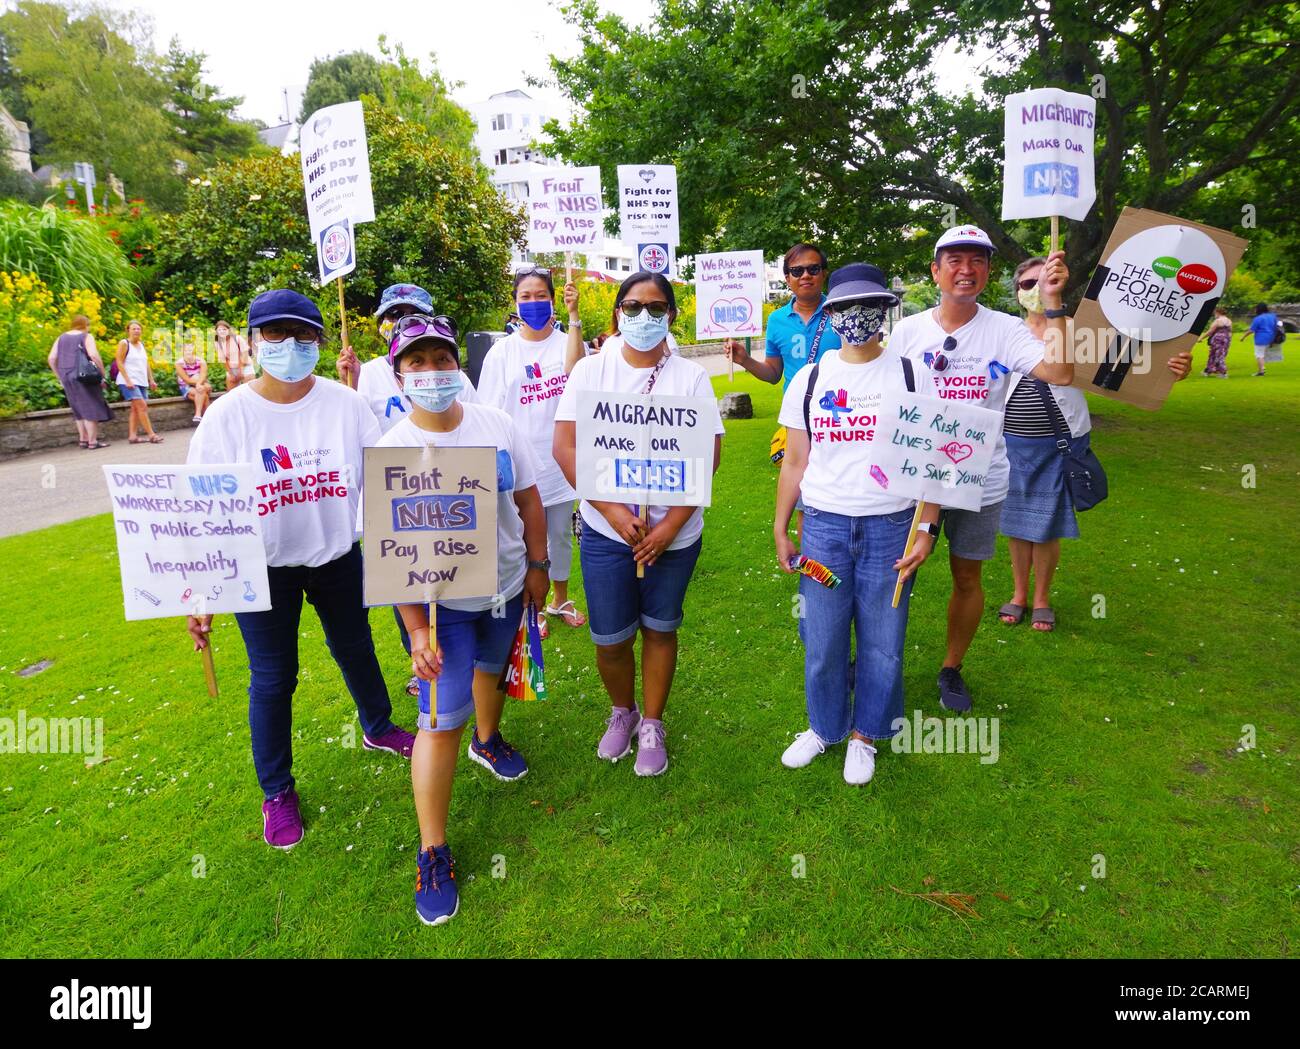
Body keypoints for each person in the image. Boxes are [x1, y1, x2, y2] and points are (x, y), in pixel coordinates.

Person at [186, 289, 416, 851]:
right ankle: (276, 791)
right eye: (275, 335)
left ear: (319, 339)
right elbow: (200, 506)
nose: (290, 346)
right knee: (273, 677)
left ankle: (378, 726)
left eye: (304, 335)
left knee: (355, 646)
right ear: (253, 341)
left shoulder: (344, 403)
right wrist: (200, 593)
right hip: (260, 570)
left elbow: (384, 479)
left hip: (337, 555)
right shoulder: (226, 416)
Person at [378, 315, 550, 926]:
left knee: (492, 671)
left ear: (459, 366)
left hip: (505, 587)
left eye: (440, 360)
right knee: (438, 720)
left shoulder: (498, 427)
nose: (431, 373)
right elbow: (387, 547)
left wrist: (538, 564)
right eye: (416, 363)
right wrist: (417, 630)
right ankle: (433, 851)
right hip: (440, 607)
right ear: (398, 374)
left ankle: (489, 741)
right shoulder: (392, 449)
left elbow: (528, 498)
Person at [886, 226, 1074, 713]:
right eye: (954, 260)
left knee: (967, 578)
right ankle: (879, 662)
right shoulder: (907, 332)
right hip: (913, 477)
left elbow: (1061, 373)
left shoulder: (1006, 329)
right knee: (893, 576)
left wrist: (1052, 302)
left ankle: (951, 668)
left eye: (977, 261)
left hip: (979, 480)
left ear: (988, 272)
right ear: (936, 270)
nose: (965, 270)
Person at [553, 272, 724, 777]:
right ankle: (621, 711)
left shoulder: (690, 378)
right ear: (617, 314)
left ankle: (652, 721)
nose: (643, 317)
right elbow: (566, 448)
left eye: (655, 308)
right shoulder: (589, 372)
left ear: (671, 316)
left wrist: (669, 526)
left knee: (660, 629)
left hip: (673, 537)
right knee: (609, 638)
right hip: (608, 533)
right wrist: (610, 510)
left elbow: (706, 455)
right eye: (632, 307)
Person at [774, 264, 938, 786]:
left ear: (887, 310)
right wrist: (782, 526)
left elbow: (934, 459)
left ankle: (867, 733)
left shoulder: (915, 374)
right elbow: (795, 460)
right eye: (844, 307)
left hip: (892, 525)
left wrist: (927, 528)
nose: (856, 317)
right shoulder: (811, 378)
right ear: (831, 312)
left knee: (883, 638)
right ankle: (824, 727)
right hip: (823, 526)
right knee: (821, 637)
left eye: (867, 305)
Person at [337, 283, 480, 698]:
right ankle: (422, 659)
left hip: (455, 493)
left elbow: (475, 420)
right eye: (392, 315)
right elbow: (356, 424)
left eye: (409, 312)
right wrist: (351, 379)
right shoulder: (369, 374)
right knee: (411, 585)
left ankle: (466, 663)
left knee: (457, 583)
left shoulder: (452, 375)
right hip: (402, 496)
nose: (398, 321)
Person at [477, 265, 587, 638]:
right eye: (526, 296)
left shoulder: (566, 343)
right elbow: (488, 411)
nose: (534, 302)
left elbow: (576, 376)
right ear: (515, 302)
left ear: (554, 299)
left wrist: (574, 319)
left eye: (542, 295)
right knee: (524, 540)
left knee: (558, 536)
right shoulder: (501, 353)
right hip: (520, 468)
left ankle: (560, 599)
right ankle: (532, 606)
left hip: (560, 463)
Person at [724, 243, 841, 390]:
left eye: (813, 269)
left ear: (824, 274)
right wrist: (745, 360)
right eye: (797, 271)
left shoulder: (842, 313)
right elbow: (773, 374)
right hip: (795, 410)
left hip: (836, 408)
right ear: (787, 279)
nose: (805, 275)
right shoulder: (776, 320)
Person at [47, 313, 111, 449]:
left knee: (77, 408)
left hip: (66, 375)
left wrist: (59, 376)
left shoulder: (61, 337)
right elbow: (93, 355)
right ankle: (93, 441)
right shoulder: (86, 336)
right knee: (90, 406)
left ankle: (83, 439)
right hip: (83, 376)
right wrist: (102, 372)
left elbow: (51, 358)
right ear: (85, 325)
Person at [114, 319, 162, 444]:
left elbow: (146, 363)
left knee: (136, 409)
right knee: (142, 406)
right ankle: (152, 435)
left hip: (141, 381)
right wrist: (128, 380)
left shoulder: (141, 345)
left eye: (138, 329)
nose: (136, 331)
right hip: (128, 381)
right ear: (128, 330)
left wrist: (151, 380)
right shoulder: (124, 343)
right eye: (134, 328)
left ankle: (133, 436)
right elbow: (119, 361)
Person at [175, 342, 211, 422]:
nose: (188, 351)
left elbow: (203, 375)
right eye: (186, 350)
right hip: (186, 386)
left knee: (201, 388)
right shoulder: (179, 363)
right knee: (204, 395)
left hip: (201, 384)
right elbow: (187, 380)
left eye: (190, 349)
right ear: (182, 351)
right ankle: (208, 419)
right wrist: (200, 384)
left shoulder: (201, 361)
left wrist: (198, 384)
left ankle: (198, 416)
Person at [1242, 302, 1281, 375]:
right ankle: (1261, 369)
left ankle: (1261, 370)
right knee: (1263, 354)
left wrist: (1243, 337)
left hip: (1261, 338)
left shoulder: (1258, 318)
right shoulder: (1273, 316)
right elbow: (1277, 326)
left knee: (1259, 355)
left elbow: (1251, 330)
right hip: (1272, 338)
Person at [216, 319, 254, 389]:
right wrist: (231, 374)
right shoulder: (218, 343)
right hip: (232, 368)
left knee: (250, 390)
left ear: (229, 330)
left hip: (245, 366)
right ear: (216, 332)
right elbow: (225, 360)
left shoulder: (238, 339)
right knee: (231, 393)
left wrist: (241, 370)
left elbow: (244, 355)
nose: (222, 331)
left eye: (224, 329)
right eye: (219, 330)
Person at [1201, 307, 1232, 377]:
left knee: (1214, 355)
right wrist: (1229, 340)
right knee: (1220, 354)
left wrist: (1201, 338)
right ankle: (1208, 370)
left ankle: (1223, 372)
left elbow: (1210, 331)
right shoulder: (1229, 321)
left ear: (1218, 313)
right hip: (1226, 339)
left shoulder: (1218, 321)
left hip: (1217, 339)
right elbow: (1230, 332)